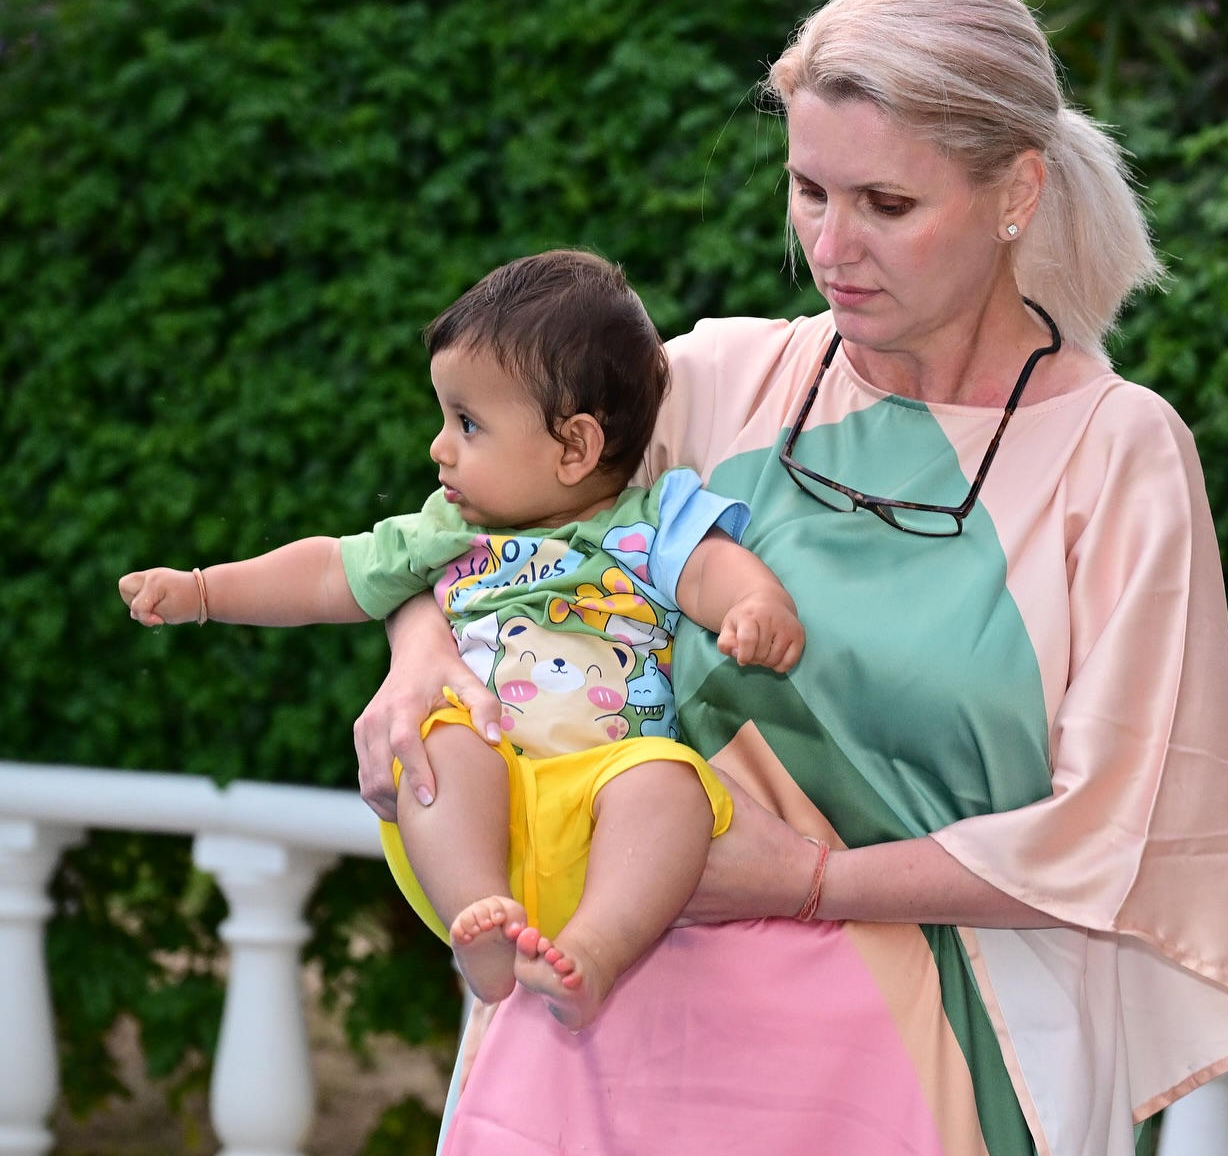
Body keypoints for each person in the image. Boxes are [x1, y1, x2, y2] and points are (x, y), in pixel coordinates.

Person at [355, 0, 1228, 1156]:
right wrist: (419, 659)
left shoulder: (1116, 453)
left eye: (887, 203)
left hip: (932, 1066)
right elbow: (460, 529)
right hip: (602, 1055)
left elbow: (1118, 830)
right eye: (809, 192)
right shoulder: (712, 382)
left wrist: (806, 881)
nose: (832, 248)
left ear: (1018, 191)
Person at [119, 249, 805, 1030]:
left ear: (574, 448)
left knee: (671, 784)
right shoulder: (446, 530)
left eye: (468, 424)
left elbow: (712, 568)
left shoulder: (649, 525)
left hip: (605, 814)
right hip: (485, 813)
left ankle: (595, 950)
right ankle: (479, 916)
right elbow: (330, 571)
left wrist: (757, 604)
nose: (439, 447)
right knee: (439, 741)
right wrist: (207, 590)